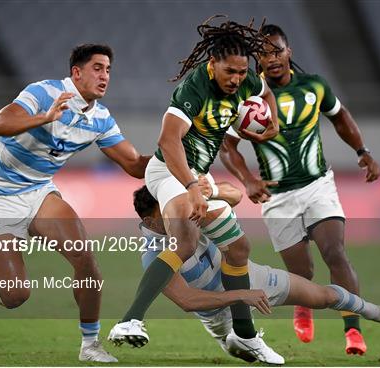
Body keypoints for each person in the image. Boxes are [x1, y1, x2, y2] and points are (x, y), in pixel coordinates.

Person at [108, 16, 285, 364]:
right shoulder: (193, 89)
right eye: (229, 72)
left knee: (239, 247)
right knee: (186, 243)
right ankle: (129, 321)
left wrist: (273, 122)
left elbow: (265, 91)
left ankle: (246, 336)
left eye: (240, 71)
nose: (236, 79)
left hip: (197, 176)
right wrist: (190, 186)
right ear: (212, 64)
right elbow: (168, 140)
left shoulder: (246, 80)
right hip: (169, 171)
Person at [0, 43, 150, 363]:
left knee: (86, 260)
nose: (105, 76)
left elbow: (133, 164)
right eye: (97, 68)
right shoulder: (44, 93)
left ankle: (90, 345)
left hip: (39, 193)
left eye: (108, 70)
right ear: (76, 73)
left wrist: (172, 160)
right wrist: (42, 118)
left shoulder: (101, 118)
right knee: (16, 296)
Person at [220, 24, 380, 355]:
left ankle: (353, 330)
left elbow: (340, 117)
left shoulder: (314, 86)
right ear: (257, 59)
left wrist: (362, 151)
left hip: (318, 185)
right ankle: (302, 306)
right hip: (278, 197)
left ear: (289, 51)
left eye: (277, 50)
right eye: (264, 53)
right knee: (301, 270)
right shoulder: (250, 98)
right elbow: (228, 145)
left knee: (334, 252)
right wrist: (248, 179)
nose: (272, 58)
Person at [132, 180, 380, 363]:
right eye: (167, 213)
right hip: (220, 316)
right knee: (239, 349)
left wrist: (211, 191)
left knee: (324, 296)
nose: (175, 215)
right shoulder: (154, 257)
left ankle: (374, 311)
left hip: (251, 277)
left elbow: (234, 194)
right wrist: (242, 295)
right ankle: (235, 342)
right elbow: (188, 301)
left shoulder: (190, 209)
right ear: (150, 220)